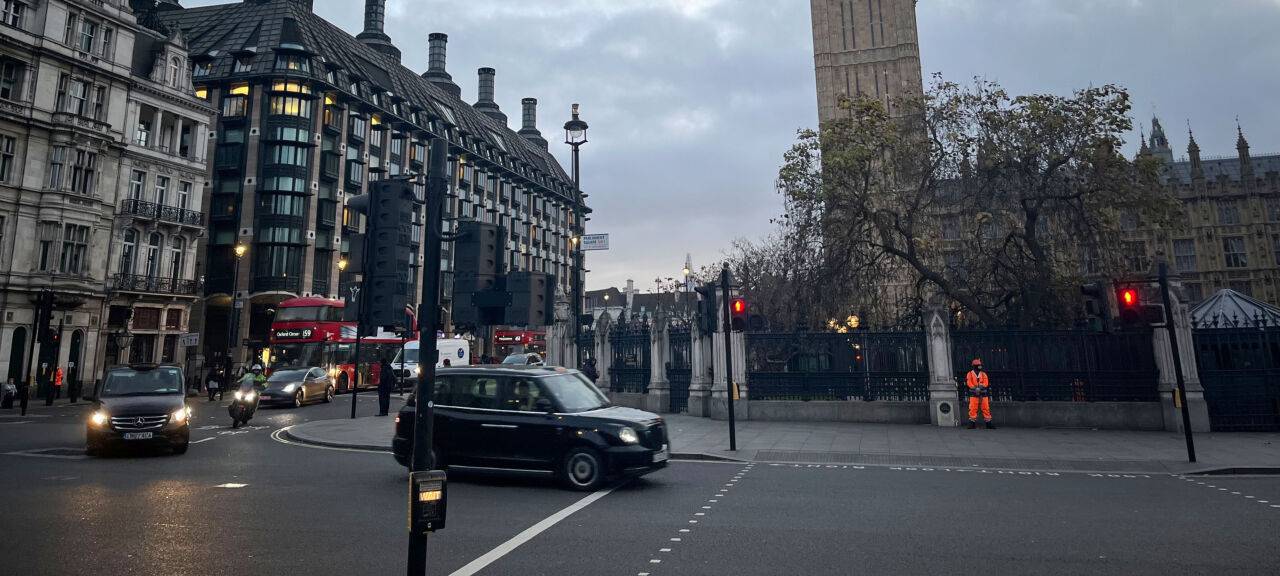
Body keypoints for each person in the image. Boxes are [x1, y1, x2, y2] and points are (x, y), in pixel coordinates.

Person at [966, 358, 995, 429]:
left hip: (982, 393)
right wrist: (975, 388)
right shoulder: (970, 374)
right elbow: (969, 383)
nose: (979, 366)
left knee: (985, 408)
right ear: (974, 366)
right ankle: (972, 423)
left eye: (980, 365)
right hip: (974, 393)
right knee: (973, 408)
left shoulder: (983, 374)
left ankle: (988, 423)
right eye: (978, 365)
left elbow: (986, 383)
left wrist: (980, 387)